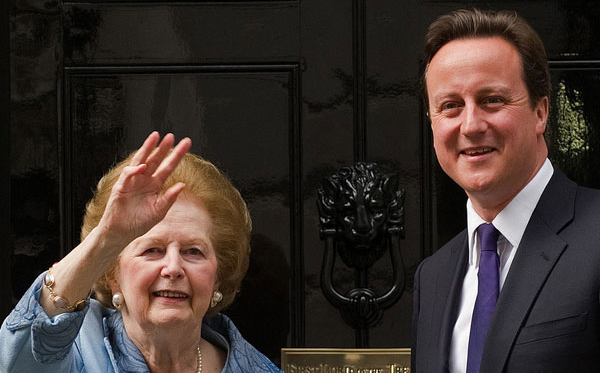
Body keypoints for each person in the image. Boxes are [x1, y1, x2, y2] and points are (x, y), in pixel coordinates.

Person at [411, 8, 600, 373]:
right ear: (433, 125)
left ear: (540, 112)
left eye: (492, 100)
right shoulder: (432, 277)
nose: (471, 124)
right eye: (450, 106)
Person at [0, 132, 283, 373]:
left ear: (218, 279)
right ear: (112, 275)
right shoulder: (77, 352)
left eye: (193, 251)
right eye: (152, 250)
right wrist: (105, 241)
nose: (173, 268)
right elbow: (20, 362)